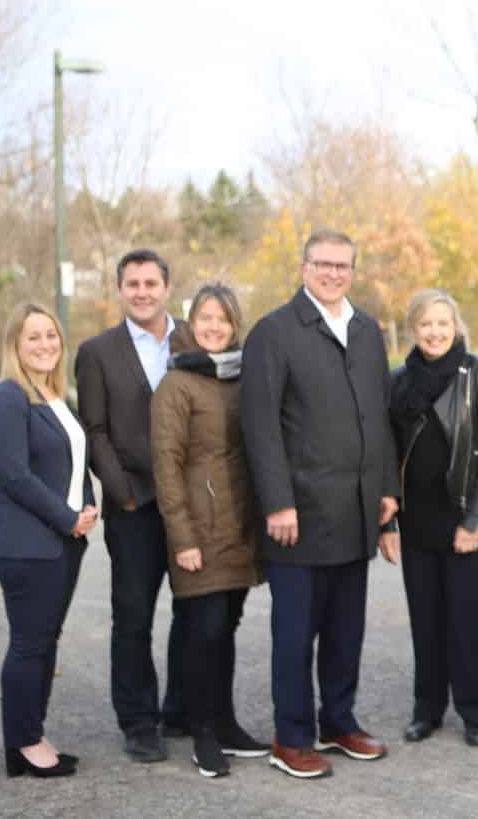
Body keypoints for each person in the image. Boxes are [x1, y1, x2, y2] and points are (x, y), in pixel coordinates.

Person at [241, 229, 400, 780]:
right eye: (323, 264)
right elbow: (259, 427)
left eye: (343, 266)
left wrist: (386, 493)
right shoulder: (274, 332)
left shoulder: (365, 330)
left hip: (356, 511)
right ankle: (292, 737)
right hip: (299, 516)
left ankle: (338, 720)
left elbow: (378, 418)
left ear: (353, 271)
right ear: (304, 267)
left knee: (344, 630)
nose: (333, 274)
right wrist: (277, 502)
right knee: (294, 634)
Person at [150, 283, 270, 778]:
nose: (213, 326)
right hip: (199, 532)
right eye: (205, 318)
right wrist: (183, 539)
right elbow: (166, 465)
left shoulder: (243, 379)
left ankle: (225, 722)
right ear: (191, 323)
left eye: (222, 319)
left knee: (227, 629)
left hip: (240, 530)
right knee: (205, 631)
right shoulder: (176, 385)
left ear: (234, 325)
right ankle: (202, 732)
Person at [75, 248, 188, 762]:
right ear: (120, 290)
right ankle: (139, 720)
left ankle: (183, 707)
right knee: (133, 616)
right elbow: (94, 431)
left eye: (151, 283)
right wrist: (122, 493)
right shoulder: (98, 351)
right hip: (135, 506)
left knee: (195, 612)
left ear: (167, 286)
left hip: (192, 506)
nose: (142, 291)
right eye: (132, 284)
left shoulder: (192, 338)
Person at [0, 302, 98, 778]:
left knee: (46, 641)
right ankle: (23, 743)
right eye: (33, 337)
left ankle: (32, 734)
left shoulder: (54, 396)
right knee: (30, 643)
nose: (45, 344)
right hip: (26, 544)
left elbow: (73, 458)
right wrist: (68, 518)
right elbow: (15, 477)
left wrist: (86, 506)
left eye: (51, 335)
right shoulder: (6, 398)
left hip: (63, 540)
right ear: (15, 345)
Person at [387, 289, 478, 747]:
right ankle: (427, 709)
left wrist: (474, 520)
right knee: (425, 620)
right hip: (418, 520)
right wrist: (387, 520)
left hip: (464, 519)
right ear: (413, 331)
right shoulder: (399, 382)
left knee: (462, 620)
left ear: (455, 326)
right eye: (425, 325)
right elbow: (388, 452)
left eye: (442, 323)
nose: (435, 332)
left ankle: (474, 711)